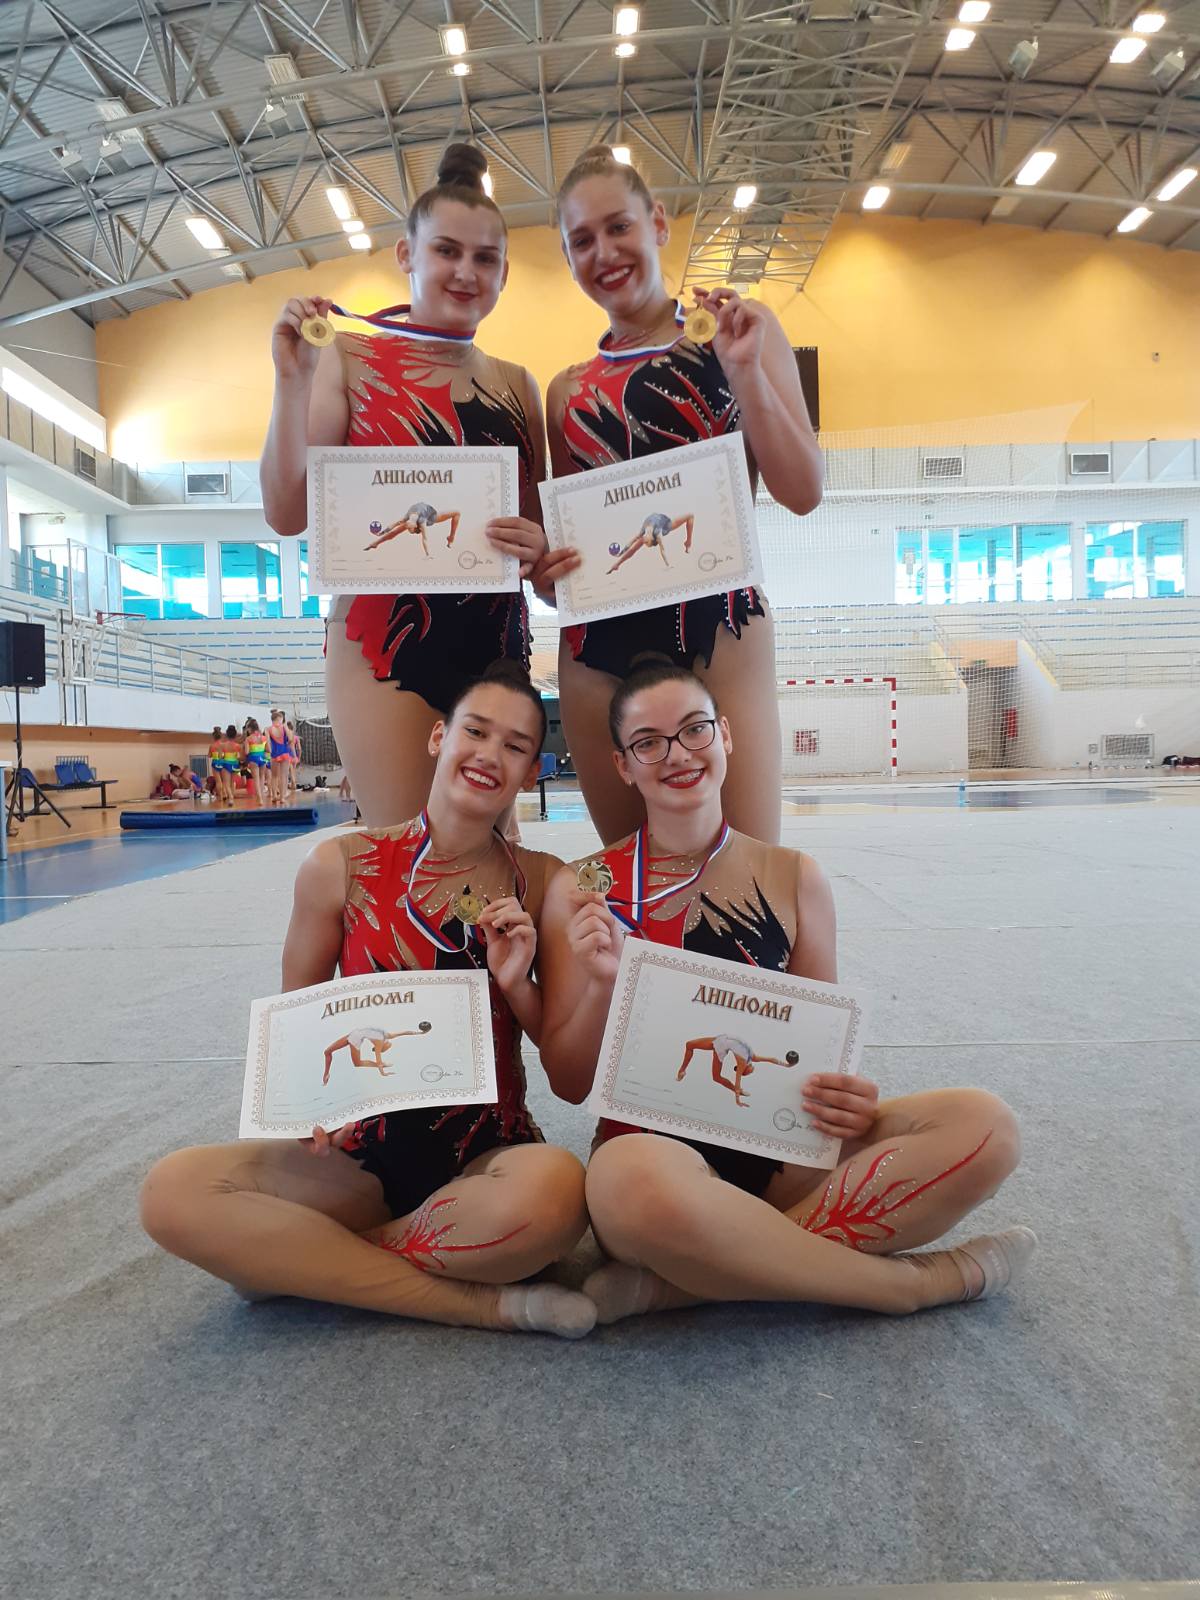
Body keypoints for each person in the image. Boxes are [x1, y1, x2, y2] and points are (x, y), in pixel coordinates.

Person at [538, 657, 1036, 1325]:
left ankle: (686, 1285)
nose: (678, 754)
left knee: (985, 1127)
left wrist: (844, 1094)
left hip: (780, 1152)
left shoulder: (794, 875)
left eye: (694, 729)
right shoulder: (583, 889)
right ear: (623, 765)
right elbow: (569, 1083)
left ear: (726, 734)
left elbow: (815, 1049)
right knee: (628, 1185)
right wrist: (602, 986)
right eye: (649, 743)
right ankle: (908, 1286)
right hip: (655, 1161)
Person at [139, 666, 594, 1339]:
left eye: (515, 746)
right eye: (475, 732)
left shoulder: (548, 883)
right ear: (439, 737)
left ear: (532, 772)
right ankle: (486, 1304)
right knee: (172, 1192)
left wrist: (518, 984)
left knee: (557, 1196)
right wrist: (304, 1111)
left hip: (487, 1155)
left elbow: (569, 1078)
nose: (489, 755)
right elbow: (297, 1030)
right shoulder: (339, 865)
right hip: (357, 1157)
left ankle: (304, 1262)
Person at [261, 142, 573, 828]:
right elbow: (285, 512)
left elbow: (543, 560)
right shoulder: (346, 357)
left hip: (495, 645)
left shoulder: (517, 384)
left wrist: (538, 548)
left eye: (484, 258)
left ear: (504, 272)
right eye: (446, 251)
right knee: (407, 850)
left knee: (493, 856)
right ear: (407, 254)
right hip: (383, 645)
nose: (465, 271)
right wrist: (290, 384)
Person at [546, 145, 824, 847]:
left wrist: (745, 373)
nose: (604, 252)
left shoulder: (740, 333)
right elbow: (569, 565)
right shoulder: (567, 391)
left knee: (746, 872)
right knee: (632, 878)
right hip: (597, 650)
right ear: (567, 257)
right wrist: (548, 575)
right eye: (582, 240)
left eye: (618, 227)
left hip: (719, 625)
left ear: (658, 223)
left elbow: (802, 491)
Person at [267, 709, 294, 806]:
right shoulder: (284, 727)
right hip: (284, 752)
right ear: (280, 718)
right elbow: (290, 739)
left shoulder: (268, 729)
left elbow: (268, 744)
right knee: (284, 776)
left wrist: (270, 752)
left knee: (274, 776)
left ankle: (274, 795)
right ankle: (282, 797)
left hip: (274, 754)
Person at [242, 720, 269, 805]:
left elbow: (246, 752)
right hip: (262, 758)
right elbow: (268, 749)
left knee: (256, 779)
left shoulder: (248, 739)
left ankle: (259, 798)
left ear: (250, 729)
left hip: (253, 758)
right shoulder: (264, 737)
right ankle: (261, 795)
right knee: (262, 777)